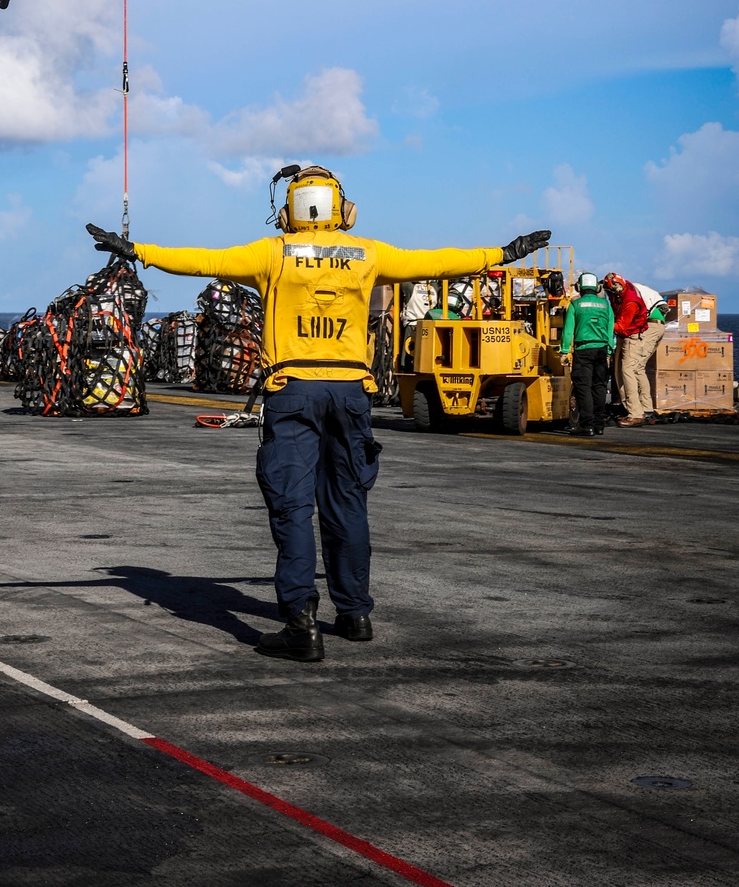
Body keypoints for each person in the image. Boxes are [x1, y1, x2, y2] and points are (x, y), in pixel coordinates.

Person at [86, 164, 550, 662]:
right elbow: (436, 261)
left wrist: (137, 251)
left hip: (293, 391)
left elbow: (201, 261)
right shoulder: (367, 253)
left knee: (291, 505)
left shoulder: (271, 253)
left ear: (289, 211)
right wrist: (502, 253)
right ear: (341, 209)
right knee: (347, 502)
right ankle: (355, 614)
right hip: (351, 392)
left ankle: (301, 625)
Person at [603, 273, 663, 426]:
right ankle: (646, 409)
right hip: (652, 324)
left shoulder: (631, 301)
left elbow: (622, 327)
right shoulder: (624, 288)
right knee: (638, 369)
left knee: (628, 370)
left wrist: (600, 325)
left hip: (642, 329)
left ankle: (635, 413)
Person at [560, 272, 615, 436]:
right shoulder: (605, 305)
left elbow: (568, 331)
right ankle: (599, 425)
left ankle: (587, 425)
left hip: (583, 350)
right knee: (599, 387)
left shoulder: (575, 305)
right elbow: (610, 329)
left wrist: (563, 351)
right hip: (601, 350)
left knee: (583, 388)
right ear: (597, 288)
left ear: (579, 287)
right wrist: (609, 351)